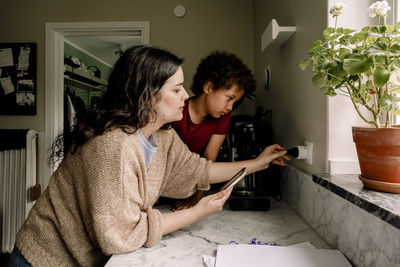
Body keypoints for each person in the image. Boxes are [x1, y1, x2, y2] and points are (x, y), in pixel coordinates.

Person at [11, 45, 288, 267]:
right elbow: (122, 234)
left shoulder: (163, 136)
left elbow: (200, 171)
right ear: (147, 94)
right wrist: (197, 212)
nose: (184, 96)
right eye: (176, 89)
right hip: (46, 258)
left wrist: (258, 163)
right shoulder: (113, 146)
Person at [170, 51, 256, 210]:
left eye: (234, 102)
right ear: (208, 87)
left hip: (191, 185)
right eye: (229, 98)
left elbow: (209, 161)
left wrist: (196, 198)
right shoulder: (176, 110)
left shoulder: (223, 117)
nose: (230, 107)